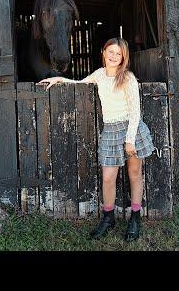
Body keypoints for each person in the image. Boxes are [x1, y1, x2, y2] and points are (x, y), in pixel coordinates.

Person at [38, 37, 155, 242]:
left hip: (132, 130)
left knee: (135, 174)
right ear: (103, 52)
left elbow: (136, 110)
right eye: (110, 51)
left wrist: (129, 140)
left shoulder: (127, 77)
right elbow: (79, 82)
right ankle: (108, 217)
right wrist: (59, 79)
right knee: (108, 178)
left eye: (118, 54)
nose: (113, 56)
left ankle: (135, 217)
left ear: (123, 58)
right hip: (110, 131)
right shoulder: (100, 75)